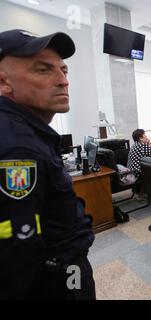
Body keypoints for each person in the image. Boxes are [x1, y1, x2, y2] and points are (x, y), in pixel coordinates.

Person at [0, 29, 95, 299]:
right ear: (3, 82)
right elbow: (17, 253)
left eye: (64, 71)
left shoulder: (27, 134)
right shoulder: (17, 148)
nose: (63, 81)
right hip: (57, 280)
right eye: (43, 70)